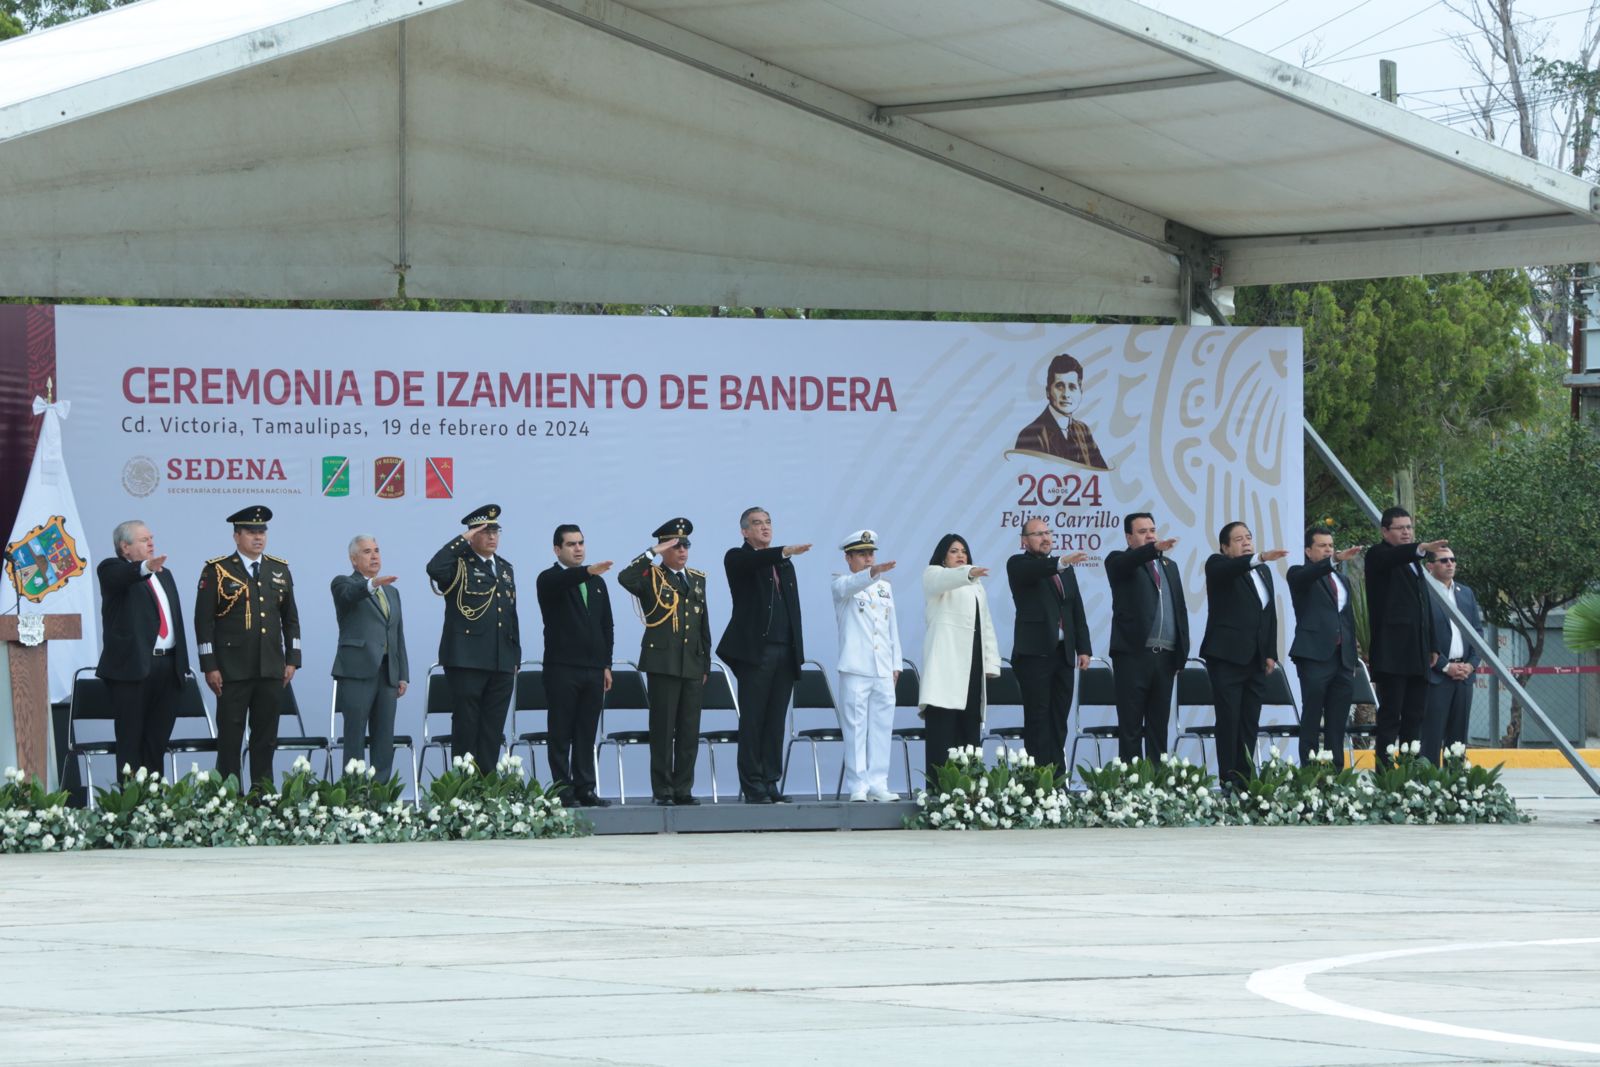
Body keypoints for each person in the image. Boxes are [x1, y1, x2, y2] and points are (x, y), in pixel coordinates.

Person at [194, 505, 300, 792]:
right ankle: (228, 797)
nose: (258, 537)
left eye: (262, 531)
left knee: (265, 737)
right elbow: (203, 622)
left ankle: (262, 795)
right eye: (251, 532)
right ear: (236, 536)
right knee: (231, 737)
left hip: (270, 667)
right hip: (231, 669)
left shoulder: (279, 569)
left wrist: (292, 659)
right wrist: (209, 665)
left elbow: (290, 619)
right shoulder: (217, 570)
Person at [716, 507, 810, 804]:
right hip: (756, 654)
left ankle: (770, 781)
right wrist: (783, 551)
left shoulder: (784, 565)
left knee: (775, 722)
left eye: (768, 522)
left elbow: (793, 609)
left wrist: (798, 653)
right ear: (745, 531)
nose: (765, 527)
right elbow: (754, 560)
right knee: (753, 721)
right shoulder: (738, 557)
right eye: (757, 524)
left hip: (785, 651)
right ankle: (753, 784)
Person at [617, 519, 711, 806]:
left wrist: (705, 662)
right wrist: (652, 552)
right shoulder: (650, 576)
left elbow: (702, 624)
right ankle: (663, 790)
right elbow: (624, 577)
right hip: (663, 663)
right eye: (675, 545)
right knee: (663, 729)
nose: (682, 551)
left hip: (692, 664)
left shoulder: (697, 578)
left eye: (686, 545)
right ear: (665, 547)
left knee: (688, 730)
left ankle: (683, 788)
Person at [426, 504, 520, 772]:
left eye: (496, 531)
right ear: (472, 534)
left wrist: (515, 655)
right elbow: (434, 567)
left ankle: (487, 788)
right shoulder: (458, 565)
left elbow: (511, 613)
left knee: (493, 728)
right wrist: (462, 540)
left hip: (501, 660)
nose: (492, 536)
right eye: (484, 531)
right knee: (467, 725)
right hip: (466, 659)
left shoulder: (504, 568)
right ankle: (465, 788)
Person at [95, 520, 191, 778]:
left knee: (156, 742)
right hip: (133, 670)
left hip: (168, 668)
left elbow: (175, 621)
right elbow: (123, 576)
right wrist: (146, 567)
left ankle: (153, 808)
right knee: (130, 743)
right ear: (125, 547)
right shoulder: (111, 569)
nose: (151, 543)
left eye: (151, 538)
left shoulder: (165, 574)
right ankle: (130, 808)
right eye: (143, 540)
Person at [1200, 522, 1287, 790]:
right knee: (1229, 720)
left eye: (1249, 537)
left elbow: (1268, 613)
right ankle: (1228, 778)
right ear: (1225, 547)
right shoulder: (1217, 565)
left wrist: (1270, 652)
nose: (1246, 542)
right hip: (1227, 658)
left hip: (1256, 660)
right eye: (1238, 539)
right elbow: (1231, 568)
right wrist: (1258, 557)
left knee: (1250, 720)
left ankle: (1246, 778)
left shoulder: (1262, 571)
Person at [536, 524, 614, 806]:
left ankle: (586, 788)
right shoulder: (548, 579)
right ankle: (562, 790)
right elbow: (563, 582)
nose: (578, 548)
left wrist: (606, 664)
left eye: (581, 543)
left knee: (586, 732)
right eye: (571, 544)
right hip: (562, 668)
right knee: (560, 733)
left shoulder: (597, 582)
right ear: (557, 549)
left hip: (593, 670)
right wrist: (587, 571)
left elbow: (606, 625)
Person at [1006, 517, 1091, 774]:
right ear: (1024, 540)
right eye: (1037, 534)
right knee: (1038, 718)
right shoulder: (1018, 564)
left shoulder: (1064, 570)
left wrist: (1084, 648)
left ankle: (1056, 778)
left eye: (1047, 533)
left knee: (1058, 719)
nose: (1045, 538)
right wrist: (1061, 563)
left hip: (1063, 655)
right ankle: (1038, 780)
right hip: (1034, 655)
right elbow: (1036, 571)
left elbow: (1075, 608)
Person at [1364, 507, 1449, 765]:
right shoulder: (1378, 555)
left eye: (1409, 528)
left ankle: (1410, 773)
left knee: (1415, 717)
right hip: (1392, 654)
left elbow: (1423, 605)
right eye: (1400, 528)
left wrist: (1432, 644)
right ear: (1385, 531)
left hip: (1417, 652)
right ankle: (1386, 776)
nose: (1406, 532)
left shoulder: (1413, 563)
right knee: (1391, 717)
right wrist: (1420, 548)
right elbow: (1393, 558)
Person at [1103, 513, 1189, 762]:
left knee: (1158, 726)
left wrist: (1181, 653)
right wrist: (1152, 550)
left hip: (1165, 657)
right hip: (1133, 656)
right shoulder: (1118, 561)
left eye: (1153, 530)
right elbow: (1128, 562)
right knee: (1130, 727)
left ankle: (1157, 787)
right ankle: (1131, 786)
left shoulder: (1169, 567)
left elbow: (1180, 609)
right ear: (1129, 537)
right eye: (1142, 531)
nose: (1150, 535)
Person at [919, 534, 1000, 789]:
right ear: (943, 556)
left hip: (972, 664)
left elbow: (985, 624)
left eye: (963, 550)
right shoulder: (934, 574)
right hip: (945, 666)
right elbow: (942, 580)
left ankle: (970, 791)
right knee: (943, 730)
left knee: (969, 727)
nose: (960, 555)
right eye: (954, 551)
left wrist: (990, 663)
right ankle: (939, 790)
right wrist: (967, 572)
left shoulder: (976, 585)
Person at [830, 530, 901, 802]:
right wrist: (872, 573)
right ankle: (858, 786)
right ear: (848, 559)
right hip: (856, 667)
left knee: (883, 727)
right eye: (861, 554)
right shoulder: (841, 584)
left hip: (882, 667)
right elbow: (851, 586)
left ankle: (878, 782)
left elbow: (891, 628)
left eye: (871, 553)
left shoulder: (885, 588)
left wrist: (896, 664)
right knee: (856, 728)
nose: (869, 559)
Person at [330, 535, 409, 781]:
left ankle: (380, 797)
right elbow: (350, 595)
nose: (374, 555)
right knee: (354, 737)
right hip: (356, 673)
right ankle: (353, 796)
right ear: (354, 560)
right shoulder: (343, 583)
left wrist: (402, 674)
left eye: (376, 550)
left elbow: (398, 634)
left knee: (384, 737)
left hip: (387, 673)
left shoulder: (392, 592)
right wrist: (371, 584)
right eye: (366, 552)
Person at [1286, 526, 1363, 769]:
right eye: (1322, 546)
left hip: (1342, 660)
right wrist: (1334, 560)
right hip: (1314, 657)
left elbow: (1347, 619)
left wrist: (1352, 657)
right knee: (1311, 718)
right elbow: (1307, 576)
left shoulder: (1342, 580)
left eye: (1331, 545)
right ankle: (1308, 774)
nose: (1329, 549)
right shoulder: (1299, 574)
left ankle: (1335, 775)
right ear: (1308, 551)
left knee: (1337, 722)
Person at [1420, 549, 1484, 764]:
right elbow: (1422, 634)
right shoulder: (1424, 593)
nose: (1450, 564)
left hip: (1464, 676)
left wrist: (1471, 665)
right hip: (1437, 676)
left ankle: (1455, 786)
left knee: (1458, 740)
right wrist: (1445, 666)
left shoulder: (1465, 593)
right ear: (1430, 566)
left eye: (1453, 559)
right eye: (1444, 560)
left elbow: (1477, 632)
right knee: (1431, 736)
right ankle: (1429, 787)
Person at [1012, 352, 1109, 469]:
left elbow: (1102, 476)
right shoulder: (1030, 435)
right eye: (1059, 386)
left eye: (1072, 387)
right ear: (1048, 391)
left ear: (1081, 392)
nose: (1066, 394)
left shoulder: (1083, 431)